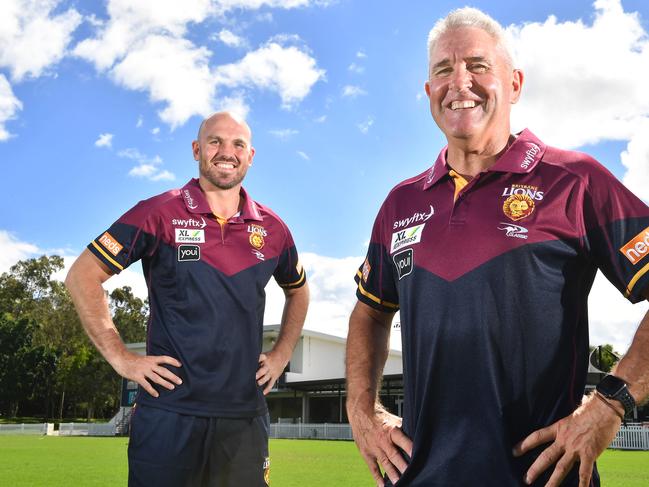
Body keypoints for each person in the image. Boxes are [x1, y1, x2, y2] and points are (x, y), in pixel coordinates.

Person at [346, 7, 649, 487]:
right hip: (419, 475)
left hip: (542, 476)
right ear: (429, 93)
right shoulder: (400, 203)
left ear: (515, 83)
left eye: (478, 65)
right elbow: (369, 311)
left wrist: (611, 402)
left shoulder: (575, 181)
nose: (459, 81)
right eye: (443, 70)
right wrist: (362, 409)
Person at [66, 112, 309, 487]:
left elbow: (298, 290)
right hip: (168, 413)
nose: (226, 152)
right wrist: (121, 358)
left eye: (238, 144)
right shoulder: (158, 211)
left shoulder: (273, 228)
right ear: (197, 149)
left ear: (251, 156)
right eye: (215, 141)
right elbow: (83, 275)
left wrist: (282, 354)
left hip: (243, 416)